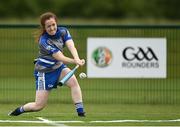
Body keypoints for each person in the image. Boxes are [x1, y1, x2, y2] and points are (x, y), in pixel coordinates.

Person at [8, 12, 86, 117]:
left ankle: (81, 113)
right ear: (44, 28)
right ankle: (18, 111)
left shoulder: (63, 31)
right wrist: (75, 61)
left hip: (59, 68)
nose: (52, 28)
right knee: (38, 106)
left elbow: (71, 46)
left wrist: (77, 58)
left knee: (73, 83)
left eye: (53, 24)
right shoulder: (44, 41)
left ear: (56, 23)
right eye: (48, 26)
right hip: (44, 72)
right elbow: (60, 57)